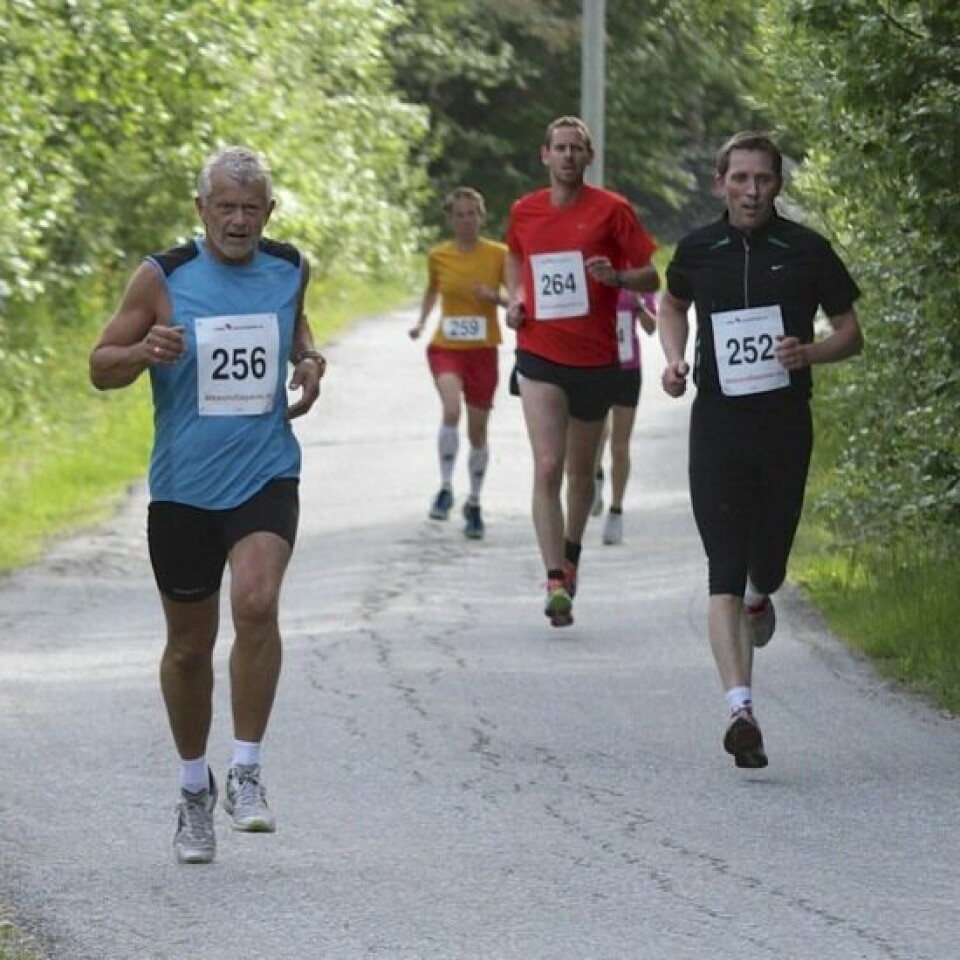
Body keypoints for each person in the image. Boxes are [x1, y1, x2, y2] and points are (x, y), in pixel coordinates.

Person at [89, 146, 325, 863]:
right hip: (185, 487)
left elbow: (296, 324)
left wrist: (309, 361)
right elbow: (101, 365)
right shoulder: (163, 276)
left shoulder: (289, 266)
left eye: (251, 208)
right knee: (190, 650)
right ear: (201, 211)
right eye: (225, 206)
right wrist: (143, 353)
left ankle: (247, 771)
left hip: (265, 472)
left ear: (269, 213)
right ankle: (196, 789)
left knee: (256, 603)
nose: (238, 220)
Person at [658, 131, 863, 768]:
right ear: (720, 183)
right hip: (716, 423)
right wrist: (672, 359)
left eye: (763, 180)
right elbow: (672, 303)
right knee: (722, 562)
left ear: (778, 185)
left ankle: (760, 592)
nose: (751, 191)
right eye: (740, 179)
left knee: (766, 562)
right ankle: (740, 710)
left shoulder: (806, 250)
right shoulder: (699, 248)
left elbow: (851, 333)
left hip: (782, 425)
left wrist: (811, 352)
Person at [505, 116, 658, 626]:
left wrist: (617, 277)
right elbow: (514, 257)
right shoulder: (525, 211)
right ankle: (553, 579)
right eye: (560, 148)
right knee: (547, 464)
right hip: (539, 352)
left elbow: (649, 272)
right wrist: (518, 298)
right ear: (544, 155)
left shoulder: (613, 210)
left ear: (588, 157)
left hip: (595, 360)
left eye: (577, 149)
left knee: (580, 470)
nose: (568, 156)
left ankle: (571, 554)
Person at [409, 187, 507, 540]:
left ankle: (475, 502)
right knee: (451, 410)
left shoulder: (498, 255)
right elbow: (433, 289)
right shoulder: (439, 255)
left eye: (472, 214)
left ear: (481, 217)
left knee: (478, 432)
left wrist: (493, 296)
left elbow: (514, 300)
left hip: (483, 350)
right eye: (459, 215)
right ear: (451, 219)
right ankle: (446, 487)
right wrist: (421, 322)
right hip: (446, 346)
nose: (466, 221)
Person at [590, 286, 658, 545]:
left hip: (627, 369)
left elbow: (652, 328)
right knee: (595, 433)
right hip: (595, 365)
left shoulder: (638, 276)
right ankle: (595, 475)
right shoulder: (593, 269)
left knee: (620, 446)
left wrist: (639, 305)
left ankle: (616, 510)